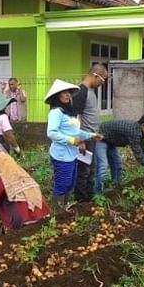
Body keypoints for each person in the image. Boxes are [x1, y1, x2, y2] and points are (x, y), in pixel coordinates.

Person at [45, 79, 102, 213]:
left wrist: (92, 135)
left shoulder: (68, 113)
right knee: (62, 184)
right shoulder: (56, 113)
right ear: (56, 96)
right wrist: (70, 140)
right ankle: (57, 213)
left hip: (71, 155)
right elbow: (51, 133)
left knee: (70, 184)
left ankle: (63, 209)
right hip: (61, 155)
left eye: (68, 93)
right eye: (63, 93)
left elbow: (77, 133)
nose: (67, 95)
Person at [94, 113, 144, 195]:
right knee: (103, 165)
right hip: (101, 136)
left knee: (117, 165)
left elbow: (143, 151)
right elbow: (139, 156)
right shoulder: (134, 132)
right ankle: (98, 194)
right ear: (143, 125)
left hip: (111, 140)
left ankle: (116, 190)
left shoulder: (142, 133)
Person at [0, 152, 50, 231]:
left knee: (4, 200)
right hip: (43, 214)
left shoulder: (2, 180)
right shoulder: (23, 173)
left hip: (23, 220)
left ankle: (11, 227)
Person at [71, 64, 108, 203]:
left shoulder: (91, 91)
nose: (102, 84)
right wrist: (79, 140)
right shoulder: (81, 91)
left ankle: (89, 196)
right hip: (85, 137)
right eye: (102, 80)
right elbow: (75, 117)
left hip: (92, 137)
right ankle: (81, 199)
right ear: (95, 76)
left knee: (91, 168)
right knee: (84, 170)